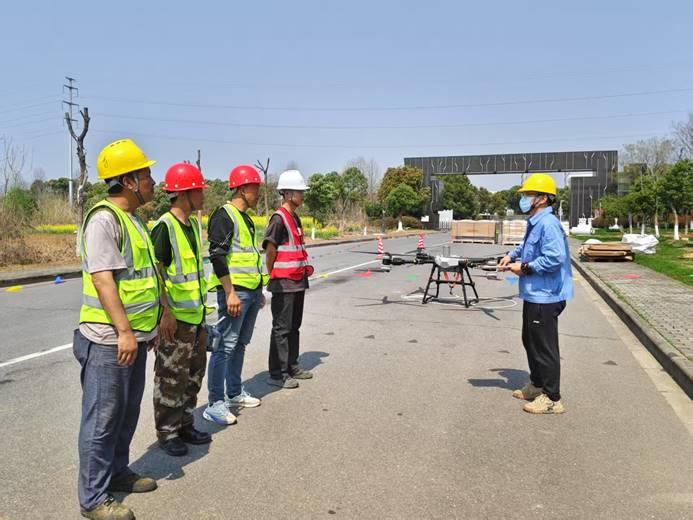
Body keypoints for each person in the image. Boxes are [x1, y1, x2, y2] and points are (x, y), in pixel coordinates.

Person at [73, 139, 161, 520]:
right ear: (128, 181)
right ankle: (93, 499)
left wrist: (151, 325)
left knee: (126, 412)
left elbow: (145, 277)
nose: (152, 181)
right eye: (146, 175)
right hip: (109, 340)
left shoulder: (135, 221)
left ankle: (118, 471)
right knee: (102, 419)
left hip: (134, 338)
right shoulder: (103, 220)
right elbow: (103, 279)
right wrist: (125, 331)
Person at [498, 173, 574, 414]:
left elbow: (554, 258)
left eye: (528, 194)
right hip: (534, 293)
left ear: (542, 198)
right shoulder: (536, 222)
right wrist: (511, 255)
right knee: (530, 341)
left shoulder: (548, 224)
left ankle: (552, 398)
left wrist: (525, 267)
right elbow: (527, 247)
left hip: (546, 295)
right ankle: (538, 384)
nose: (524, 199)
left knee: (544, 347)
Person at [151, 163, 212, 456]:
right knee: (171, 379)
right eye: (199, 190)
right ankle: (167, 432)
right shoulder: (165, 227)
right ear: (184, 193)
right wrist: (165, 311)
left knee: (192, 376)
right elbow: (156, 273)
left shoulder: (192, 225)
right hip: (176, 320)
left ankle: (185, 424)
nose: (203, 195)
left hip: (196, 317)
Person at [204, 165, 267, 425]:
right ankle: (215, 403)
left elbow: (250, 257)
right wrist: (229, 292)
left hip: (250, 291)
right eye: (255, 188)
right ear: (242, 189)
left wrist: (259, 289)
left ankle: (233, 392)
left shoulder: (247, 219)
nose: (258, 194)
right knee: (225, 346)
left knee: (240, 344)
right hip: (235, 293)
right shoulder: (224, 215)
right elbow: (217, 256)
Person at [263, 170, 315, 389]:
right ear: (287, 193)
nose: (303, 195)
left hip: (297, 281)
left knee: (294, 326)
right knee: (281, 329)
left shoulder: (295, 217)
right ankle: (278, 373)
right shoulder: (279, 219)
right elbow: (270, 250)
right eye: (299, 191)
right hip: (283, 282)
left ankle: (292, 366)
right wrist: (273, 273)